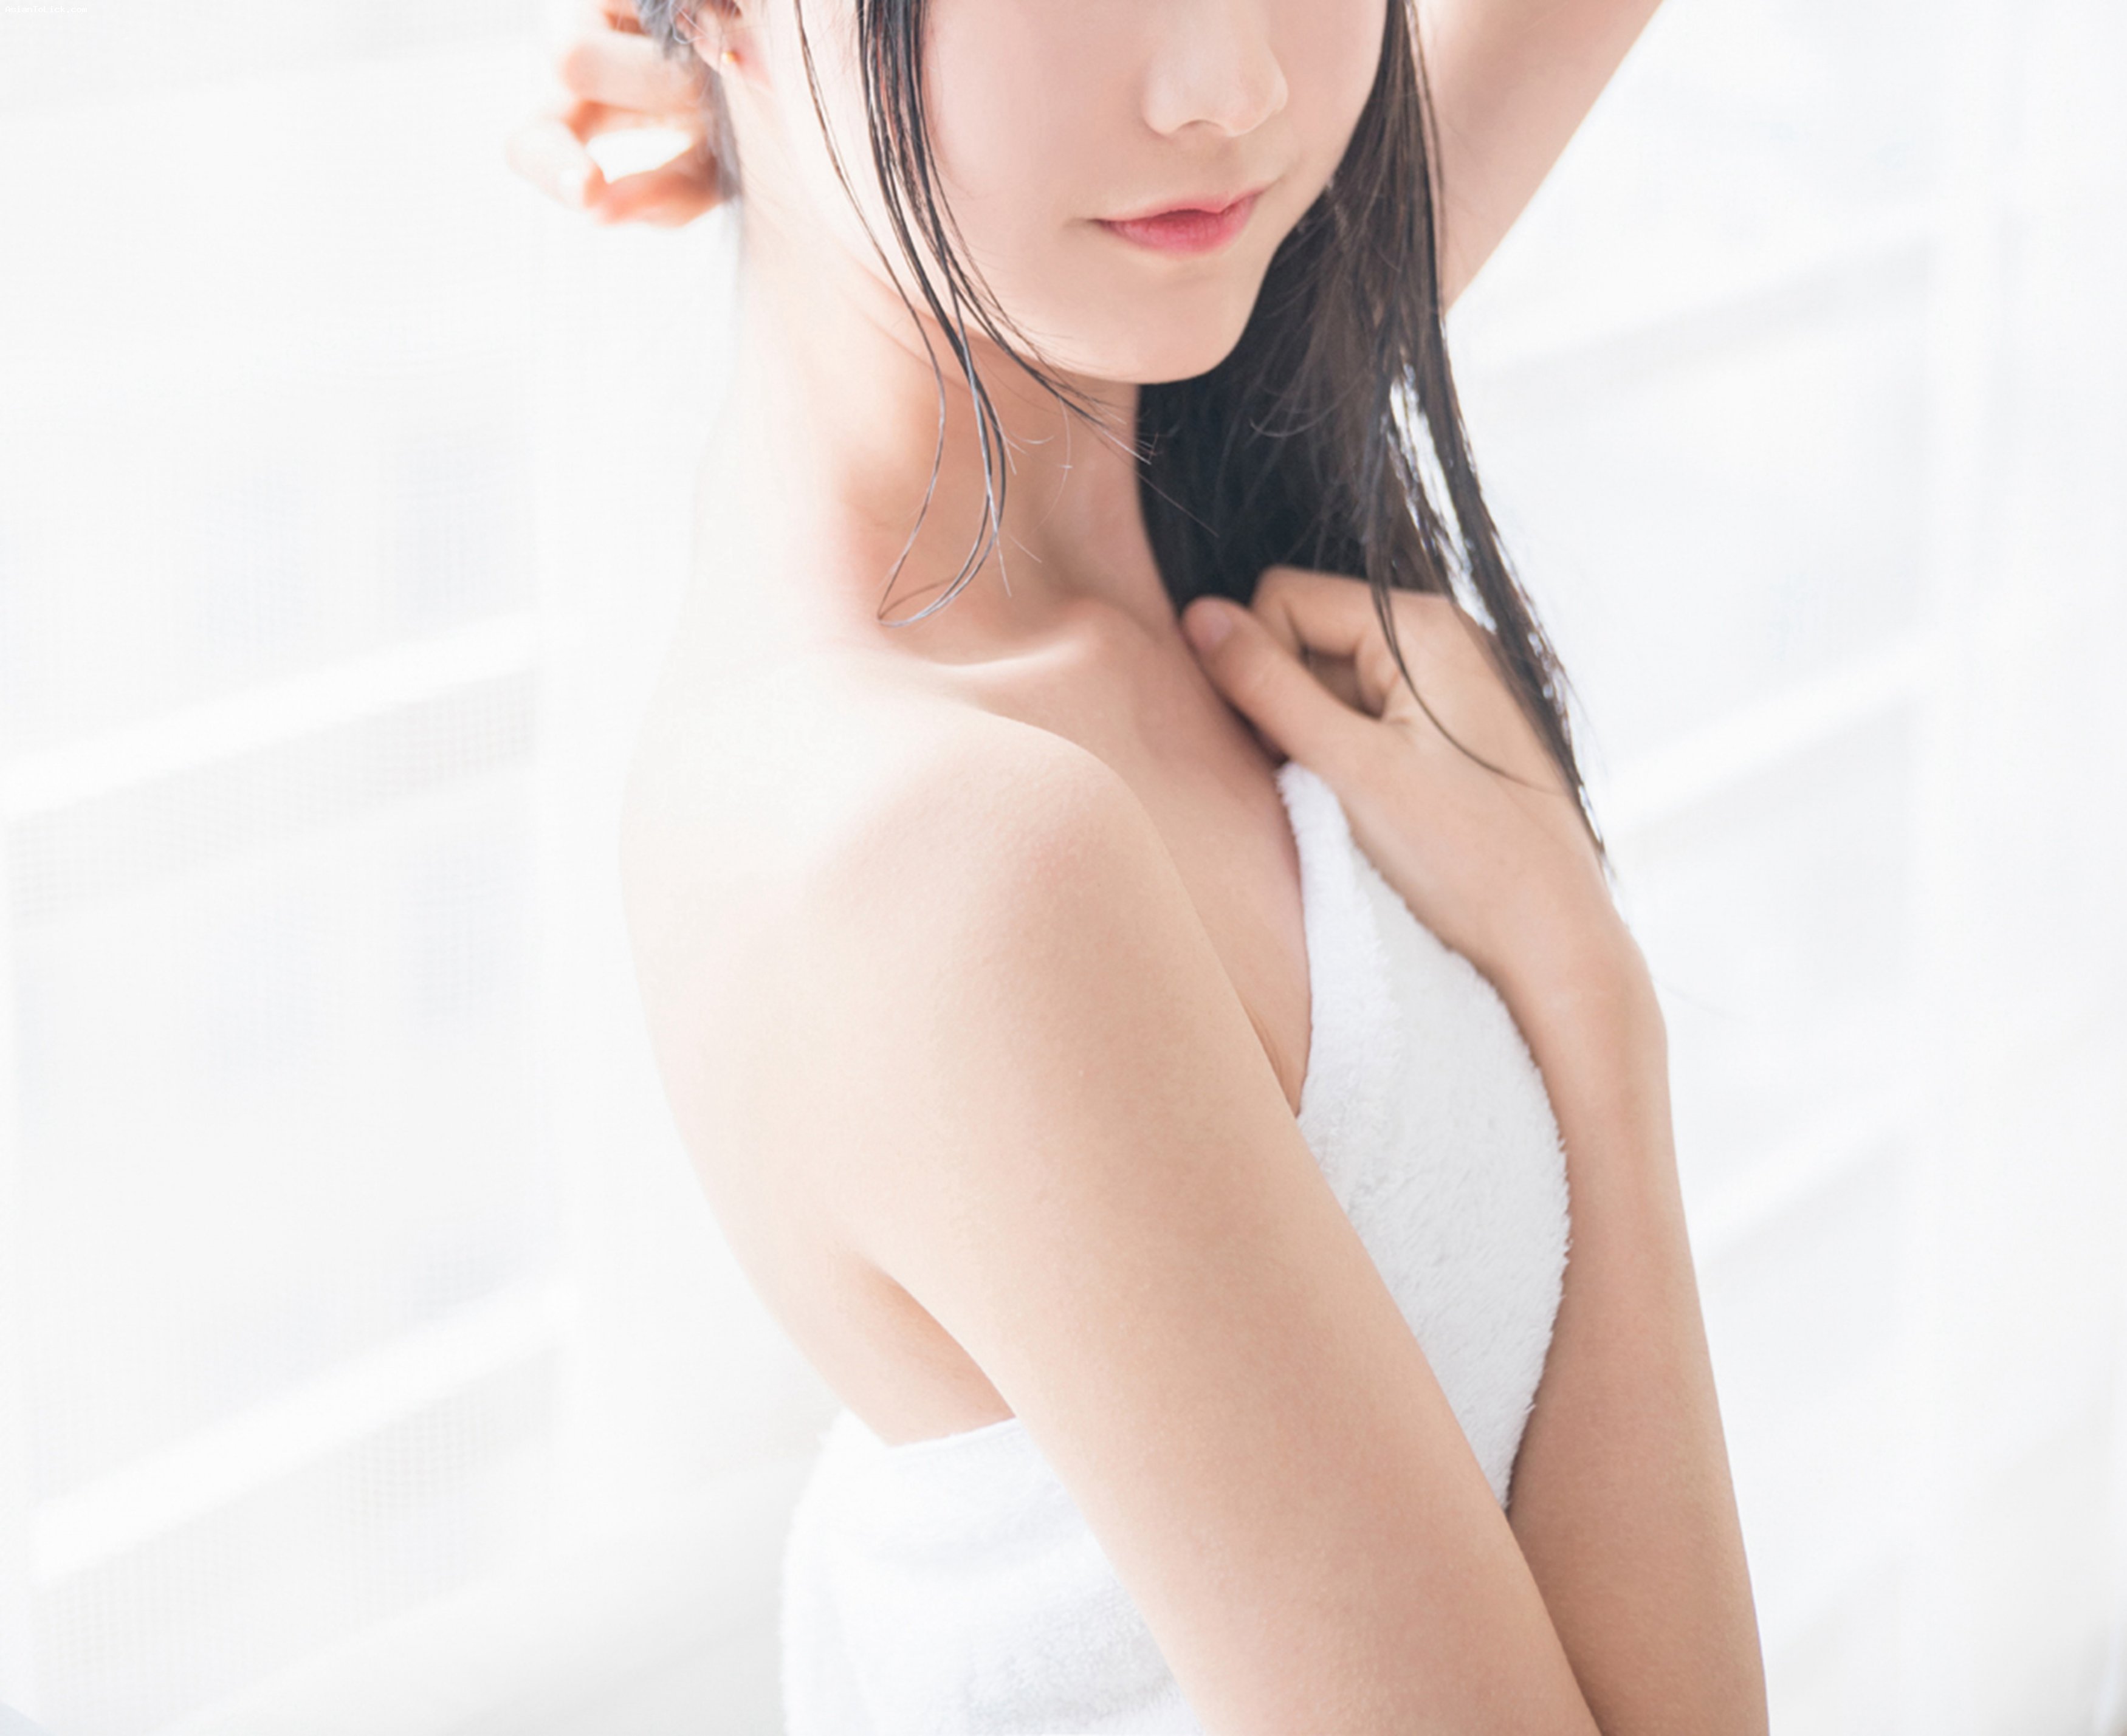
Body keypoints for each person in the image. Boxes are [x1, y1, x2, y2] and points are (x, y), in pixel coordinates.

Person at [509, 2, 1768, 1731]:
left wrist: (773, 79)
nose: (1234, 89)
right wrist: (1582, 992)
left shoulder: (1166, 409)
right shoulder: (942, 861)